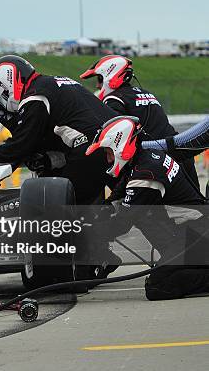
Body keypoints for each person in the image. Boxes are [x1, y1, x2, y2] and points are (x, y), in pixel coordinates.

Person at [0, 47, 116, 205]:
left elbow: (22, 144)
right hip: (104, 142)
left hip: (93, 149)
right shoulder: (44, 85)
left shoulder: (35, 99)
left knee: (53, 204)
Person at [86, 116, 209, 300]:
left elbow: (122, 224)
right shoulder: (145, 159)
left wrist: (85, 234)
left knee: (158, 286)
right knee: (144, 215)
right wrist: (97, 214)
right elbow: (118, 195)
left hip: (196, 236)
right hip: (191, 232)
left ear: (120, 146)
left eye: (109, 152)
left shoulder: (146, 173)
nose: (108, 158)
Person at [80, 55, 199, 188]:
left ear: (110, 77)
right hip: (180, 156)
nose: (97, 84)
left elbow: (114, 140)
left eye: (100, 79)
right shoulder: (145, 93)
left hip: (156, 164)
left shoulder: (113, 100)